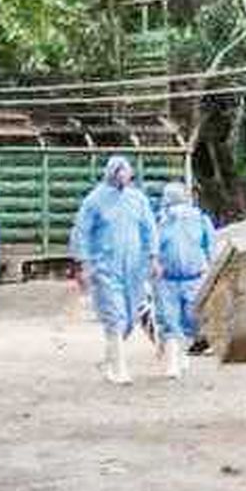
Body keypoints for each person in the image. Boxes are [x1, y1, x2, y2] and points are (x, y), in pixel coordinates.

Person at [71, 155, 157, 385]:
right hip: (105, 266)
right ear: (110, 173)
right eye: (118, 171)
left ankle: (110, 362)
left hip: (134, 267)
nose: (123, 176)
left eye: (126, 171)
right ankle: (120, 369)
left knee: (129, 317)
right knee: (115, 316)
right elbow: (82, 232)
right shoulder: (94, 201)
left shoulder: (138, 200)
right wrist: (84, 263)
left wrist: (153, 257)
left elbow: (149, 228)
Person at [151, 182, 216, 379]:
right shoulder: (160, 220)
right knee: (169, 321)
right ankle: (172, 362)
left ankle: (181, 353)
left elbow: (209, 245)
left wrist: (210, 266)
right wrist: (152, 263)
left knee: (190, 319)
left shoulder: (199, 219)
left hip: (193, 277)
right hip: (166, 279)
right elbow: (152, 245)